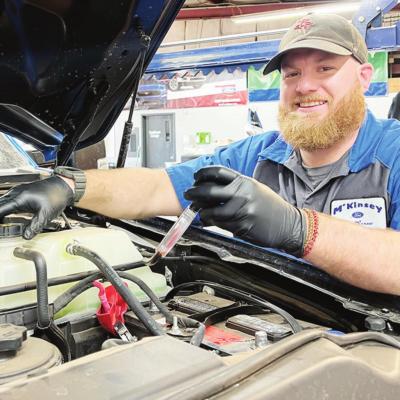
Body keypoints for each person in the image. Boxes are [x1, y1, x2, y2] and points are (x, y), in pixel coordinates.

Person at [1, 14, 400, 295]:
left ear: (364, 77)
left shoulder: (394, 151)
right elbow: (157, 187)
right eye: (292, 74)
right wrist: (70, 185)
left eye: (325, 68)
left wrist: (298, 229)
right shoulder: (257, 156)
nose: (304, 86)